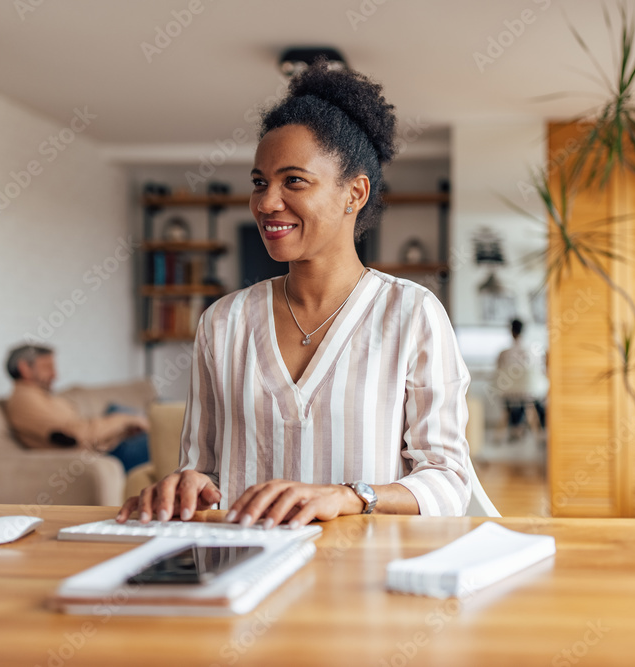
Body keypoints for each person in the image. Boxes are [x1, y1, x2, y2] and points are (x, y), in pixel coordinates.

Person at [117, 62, 474, 528]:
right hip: (241, 575)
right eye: (260, 182)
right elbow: (201, 469)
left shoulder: (411, 314)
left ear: (355, 193)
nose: (266, 202)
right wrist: (185, 485)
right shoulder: (224, 322)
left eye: (294, 181)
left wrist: (348, 496)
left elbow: (448, 480)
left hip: (362, 583)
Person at [4, 344, 150, 472]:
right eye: (47, 367)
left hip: (106, 447)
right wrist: (124, 420)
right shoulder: (25, 401)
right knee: (164, 439)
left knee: (157, 423)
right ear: (24, 368)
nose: (55, 375)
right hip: (103, 456)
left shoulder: (41, 397)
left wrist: (121, 432)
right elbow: (74, 435)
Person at [495, 319, 547, 441]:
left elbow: (498, 372)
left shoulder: (503, 353)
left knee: (515, 398)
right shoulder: (534, 352)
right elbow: (540, 372)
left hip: (509, 393)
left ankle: (516, 427)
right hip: (530, 392)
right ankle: (542, 431)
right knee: (535, 397)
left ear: (511, 331)